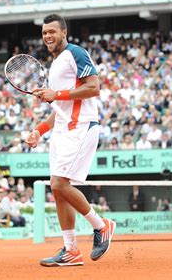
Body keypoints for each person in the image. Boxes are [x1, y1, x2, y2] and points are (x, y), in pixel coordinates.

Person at [26, 14, 115, 267]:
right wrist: (39, 130)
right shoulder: (55, 66)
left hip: (82, 127)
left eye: (52, 32)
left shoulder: (77, 53)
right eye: (44, 33)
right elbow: (60, 108)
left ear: (64, 32)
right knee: (58, 190)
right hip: (63, 130)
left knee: (58, 184)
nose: (48, 37)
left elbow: (93, 87)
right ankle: (71, 250)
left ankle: (102, 225)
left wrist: (57, 93)